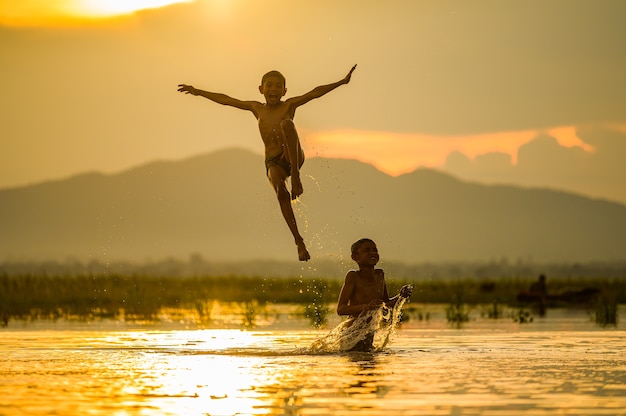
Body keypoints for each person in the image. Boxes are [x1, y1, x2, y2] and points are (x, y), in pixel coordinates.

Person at [177, 65, 357, 261]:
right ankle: (298, 241)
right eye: (269, 85)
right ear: (261, 89)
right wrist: (198, 92)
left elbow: (314, 93)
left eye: (278, 86)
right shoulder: (256, 107)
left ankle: (296, 177)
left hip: (293, 156)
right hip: (273, 161)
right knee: (281, 191)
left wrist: (341, 82)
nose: (273, 89)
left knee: (286, 124)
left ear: (284, 91)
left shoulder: (289, 105)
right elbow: (227, 100)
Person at [336, 238, 413, 351]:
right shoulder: (353, 276)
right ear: (355, 257)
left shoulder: (380, 275)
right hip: (352, 332)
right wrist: (365, 307)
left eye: (375, 250)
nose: (373, 253)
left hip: (369, 333)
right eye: (367, 250)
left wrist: (401, 296)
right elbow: (340, 309)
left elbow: (386, 304)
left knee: (370, 362)